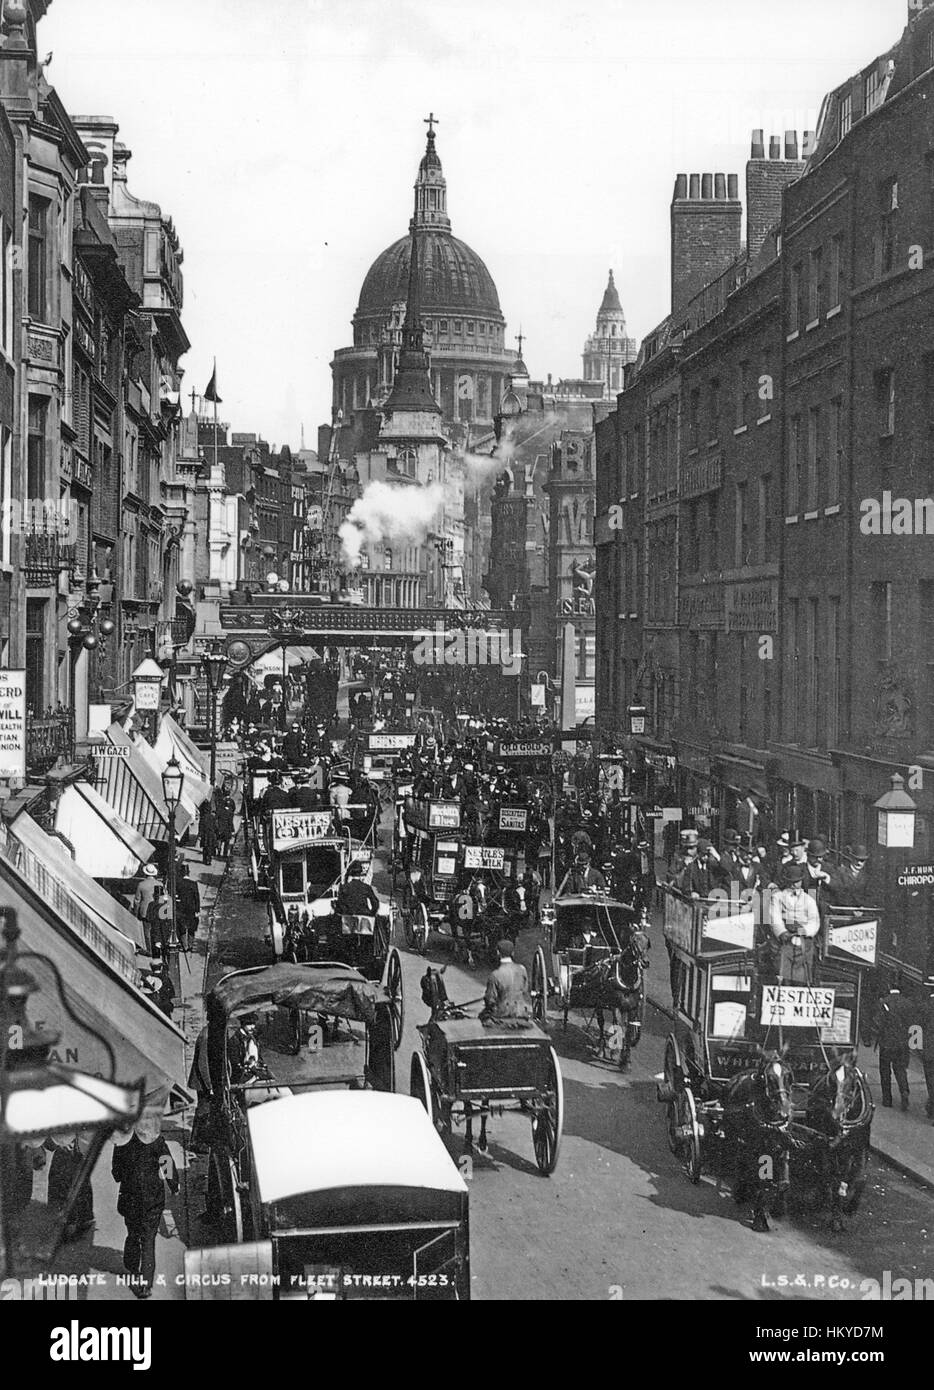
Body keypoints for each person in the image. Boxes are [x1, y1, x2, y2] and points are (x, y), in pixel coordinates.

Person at [111, 1120, 179, 1299]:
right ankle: (145, 1286)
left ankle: (132, 1266)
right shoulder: (155, 1140)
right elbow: (167, 1164)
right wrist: (174, 1186)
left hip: (129, 1197)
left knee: (133, 1233)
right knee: (148, 1239)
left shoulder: (122, 1140)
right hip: (152, 1198)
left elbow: (116, 1173)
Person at [768, 863, 820, 982]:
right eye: (791, 881)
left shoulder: (808, 900)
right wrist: (782, 932)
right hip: (784, 937)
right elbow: (774, 917)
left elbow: (814, 921)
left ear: (801, 881)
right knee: (780, 960)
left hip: (802, 936)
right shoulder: (777, 897)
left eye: (797, 881)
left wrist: (804, 931)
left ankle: (802, 985)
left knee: (805, 964)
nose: (794, 885)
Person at [871, 979, 913, 1110]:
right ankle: (904, 1090)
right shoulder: (908, 1003)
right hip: (902, 1042)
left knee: (885, 1070)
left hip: (886, 1042)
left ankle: (887, 1099)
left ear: (889, 986)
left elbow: (877, 1021)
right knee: (900, 1069)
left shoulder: (884, 1002)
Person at [481, 939, 533, 1025]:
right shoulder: (522, 969)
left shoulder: (495, 975)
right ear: (513, 953)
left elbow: (490, 999)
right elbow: (524, 990)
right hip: (520, 1013)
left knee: (483, 1017)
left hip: (501, 1015)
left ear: (498, 953)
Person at [917, 975, 934, 1121]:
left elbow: (917, 1028)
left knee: (930, 1079)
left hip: (929, 1050)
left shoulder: (924, 1006)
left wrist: (916, 1047)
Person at [177, 863, 200, 952]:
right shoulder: (193, 884)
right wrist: (197, 909)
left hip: (181, 909)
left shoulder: (178, 883)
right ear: (188, 873)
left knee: (182, 927)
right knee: (191, 927)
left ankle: (184, 945)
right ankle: (190, 945)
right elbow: (196, 897)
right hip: (191, 909)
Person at [132, 863, 162, 933]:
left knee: (146, 931)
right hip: (157, 911)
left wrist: (136, 912)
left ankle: (148, 943)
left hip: (145, 911)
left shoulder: (141, 885)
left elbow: (137, 900)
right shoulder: (160, 884)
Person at [198, 799, 217, 865]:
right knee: (210, 847)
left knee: (205, 847)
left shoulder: (203, 818)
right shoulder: (212, 817)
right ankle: (209, 860)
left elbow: (200, 827)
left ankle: (204, 859)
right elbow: (215, 826)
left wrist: (199, 835)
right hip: (211, 834)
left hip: (205, 834)